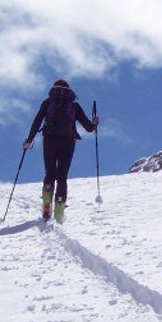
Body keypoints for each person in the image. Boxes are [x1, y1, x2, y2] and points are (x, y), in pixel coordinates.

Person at [23, 79, 99, 222]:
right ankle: (59, 210)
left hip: (49, 140)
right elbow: (89, 128)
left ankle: (47, 204)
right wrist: (94, 123)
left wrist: (29, 139)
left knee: (50, 174)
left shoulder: (48, 103)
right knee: (62, 176)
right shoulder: (74, 105)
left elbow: (37, 122)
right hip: (68, 142)